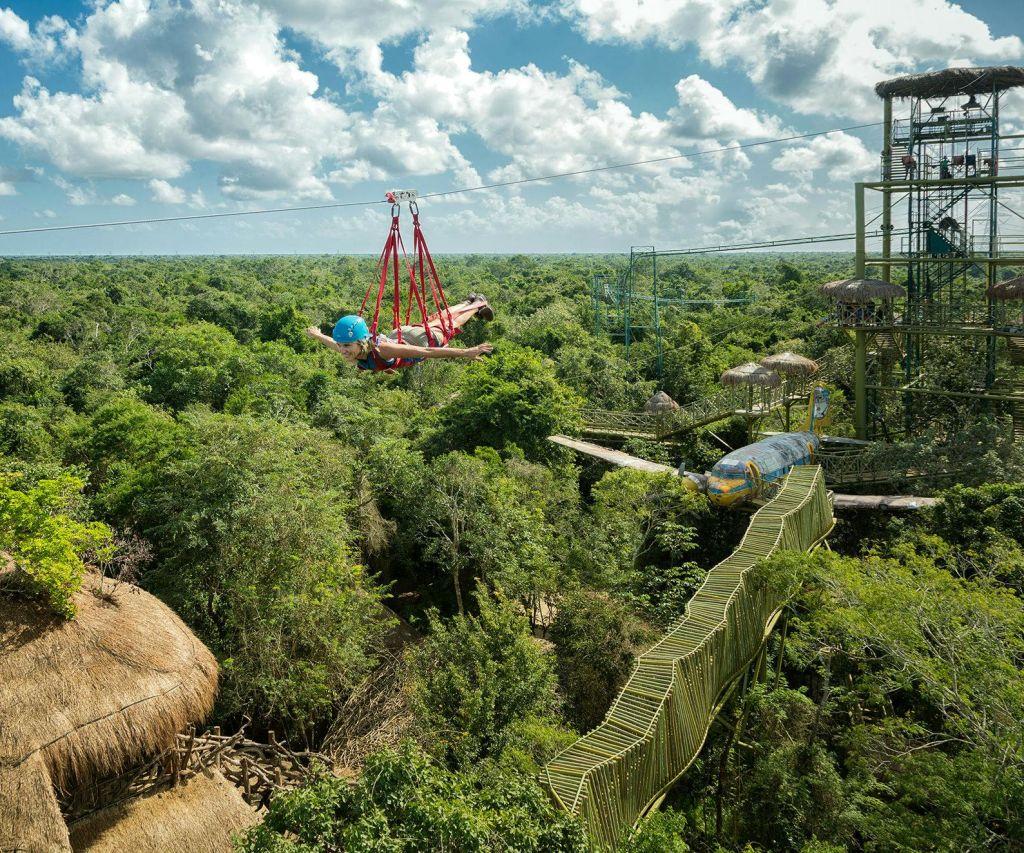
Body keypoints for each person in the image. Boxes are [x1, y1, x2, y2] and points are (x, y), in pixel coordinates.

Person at [306, 294, 494, 370]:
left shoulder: (383, 350)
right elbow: (331, 342)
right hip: (400, 333)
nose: (342, 350)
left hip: (417, 341)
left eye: (346, 345)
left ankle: (478, 304)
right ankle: (470, 302)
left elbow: (427, 351)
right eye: (341, 345)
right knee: (438, 319)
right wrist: (317, 335)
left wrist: (465, 352)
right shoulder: (354, 348)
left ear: (361, 342)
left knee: (449, 326)